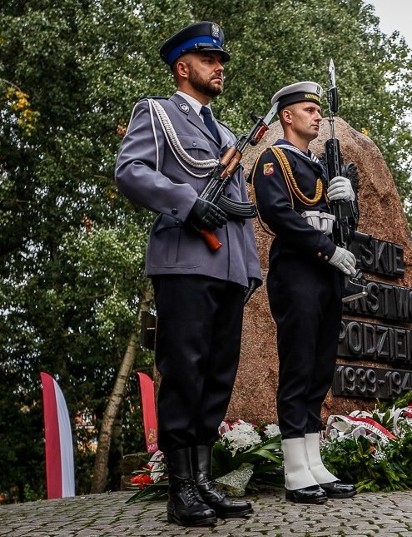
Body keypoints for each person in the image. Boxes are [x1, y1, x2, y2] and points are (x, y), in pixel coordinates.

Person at [115, 22, 260, 526]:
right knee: (185, 372)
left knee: (218, 376)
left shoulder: (224, 133)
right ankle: (180, 491)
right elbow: (130, 170)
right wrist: (187, 203)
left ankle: (202, 481)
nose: (220, 67)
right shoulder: (156, 112)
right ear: (183, 67)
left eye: (221, 59)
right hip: (184, 261)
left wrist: (251, 270)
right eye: (209, 59)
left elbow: (240, 206)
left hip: (228, 269)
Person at [251, 81, 357, 504]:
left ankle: (313, 461)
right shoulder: (273, 160)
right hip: (298, 270)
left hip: (326, 273)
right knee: (298, 367)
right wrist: (326, 249)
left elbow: (341, 219)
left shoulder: (319, 164)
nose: (316, 115)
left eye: (318, 109)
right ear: (287, 117)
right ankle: (295, 467)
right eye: (307, 109)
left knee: (319, 369)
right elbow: (277, 213)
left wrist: (348, 198)